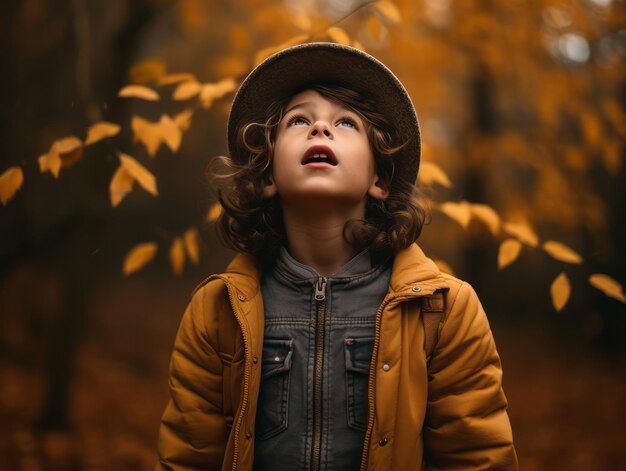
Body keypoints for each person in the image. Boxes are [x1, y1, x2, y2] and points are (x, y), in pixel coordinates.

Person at [155, 42, 518, 471]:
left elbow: (476, 457)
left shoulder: (442, 312)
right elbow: (188, 458)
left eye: (345, 122)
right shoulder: (217, 313)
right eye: (299, 120)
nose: (320, 129)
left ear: (379, 178)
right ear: (268, 175)